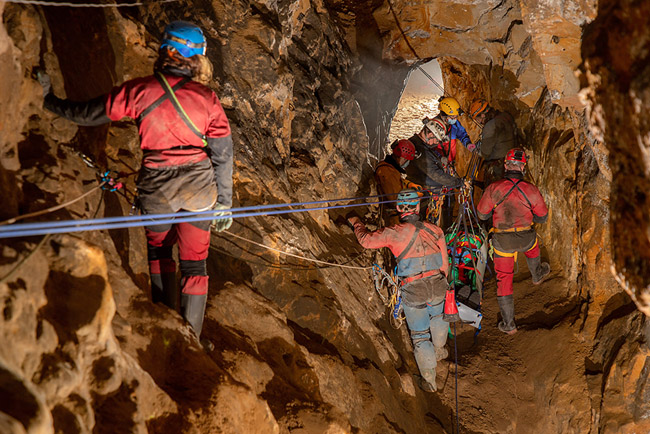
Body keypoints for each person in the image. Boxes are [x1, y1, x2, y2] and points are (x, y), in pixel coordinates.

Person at [39, 21, 233, 348]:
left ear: (164, 52)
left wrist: (49, 101)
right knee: (194, 263)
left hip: (157, 187)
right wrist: (224, 201)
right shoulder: (207, 98)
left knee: (159, 253)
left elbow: (88, 114)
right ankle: (191, 343)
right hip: (198, 188)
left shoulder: (140, 91)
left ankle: (166, 326)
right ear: (197, 58)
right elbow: (223, 153)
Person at [348, 189, 450, 392]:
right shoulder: (435, 230)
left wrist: (355, 223)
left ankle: (429, 381)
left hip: (414, 289)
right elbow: (445, 266)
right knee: (438, 317)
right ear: (418, 207)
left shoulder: (395, 232)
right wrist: (440, 282)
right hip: (437, 283)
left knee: (420, 336)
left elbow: (366, 241)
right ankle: (440, 351)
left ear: (398, 208)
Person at [476, 148, 550, 335]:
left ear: (506, 165)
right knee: (533, 246)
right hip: (526, 238)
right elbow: (542, 217)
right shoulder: (531, 189)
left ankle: (509, 324)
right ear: (523, 167)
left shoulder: (494, 188)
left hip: (503, 242)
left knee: (504, 279)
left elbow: (482, 214)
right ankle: (537, 274)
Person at [469, 99, 517, 187]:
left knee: (493, 193)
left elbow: (485, 153)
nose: (479, 122)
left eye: (478, 119)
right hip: (513, 164)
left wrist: (477, 149)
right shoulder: (505, 116)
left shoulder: (490, 126)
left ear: (483, 115)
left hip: (498, 168)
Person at [375, 139, 420, 225]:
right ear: (401, 158)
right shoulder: (387, 172)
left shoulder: (391, 169)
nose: (407, 163)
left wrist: (408, 184)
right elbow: (394, 200)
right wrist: (413, 197)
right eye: (407, 160)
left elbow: (396, 182)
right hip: (392, 218)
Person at [434, 97, 476, 164]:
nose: (455, 119)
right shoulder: (433, 127)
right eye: (452, 117)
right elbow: (427, 148)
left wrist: (468, 144)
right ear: (444, 115)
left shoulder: (454, 125)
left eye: (456, 116)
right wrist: (439, 157)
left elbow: (462, 134)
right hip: (437, 164)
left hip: (449, 163)